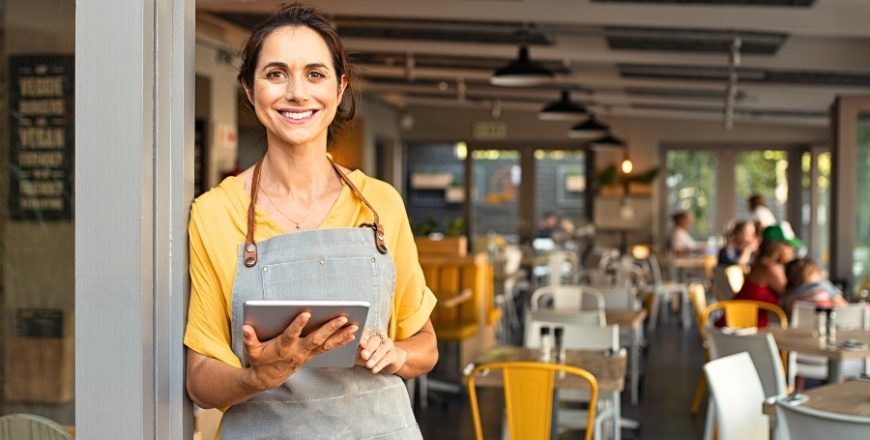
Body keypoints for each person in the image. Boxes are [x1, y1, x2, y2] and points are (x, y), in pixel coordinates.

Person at [183, 5, 437, 438]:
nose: (297, 93)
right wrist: (258, 376)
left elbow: (425, 345)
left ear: (339, 89)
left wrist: (395, 354)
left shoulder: (380, 205)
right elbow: (200, 379)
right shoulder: (216, 213)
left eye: (315, 74)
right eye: (276, 74)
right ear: (249, 89)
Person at [731, 239, 794, 327]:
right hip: (744, 324)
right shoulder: (770, 268)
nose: (792, 255)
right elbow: (790, 292)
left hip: (742, 319)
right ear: (780, 252)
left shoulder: (761, 265)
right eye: (790, 251)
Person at [782, 258, 847, 316]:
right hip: (823, 323)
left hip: (798, 325)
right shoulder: (822, 286)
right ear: (813, 272)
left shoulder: (788, 296)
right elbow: (844, 307)